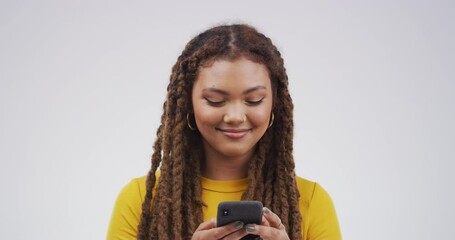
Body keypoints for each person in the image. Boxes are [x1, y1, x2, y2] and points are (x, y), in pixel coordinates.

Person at [107, 24, 341, 240]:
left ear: (274, 104)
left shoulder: (311, 201)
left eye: (254, 100)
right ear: (189, 103)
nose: (235, 116)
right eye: (215, 100)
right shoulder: (140, 201)